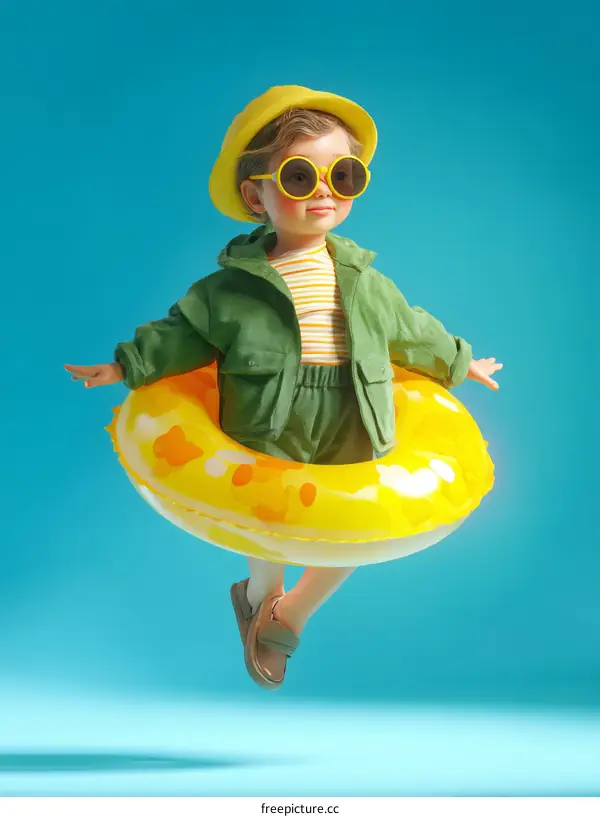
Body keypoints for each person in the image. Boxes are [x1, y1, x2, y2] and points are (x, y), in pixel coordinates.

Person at [65, 85, 503, 691]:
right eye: (300, 176)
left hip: (352, 409)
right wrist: (125, 365)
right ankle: (261, 592)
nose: (324, 190)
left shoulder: (366, 281)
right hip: (270, 415)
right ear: (257, 194)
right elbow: (183, 334)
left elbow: (410, 330)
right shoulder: (229, 291)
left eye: (343, 174)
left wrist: (460, 361)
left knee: (355, 529)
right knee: (271, 518)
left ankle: (289, 612)